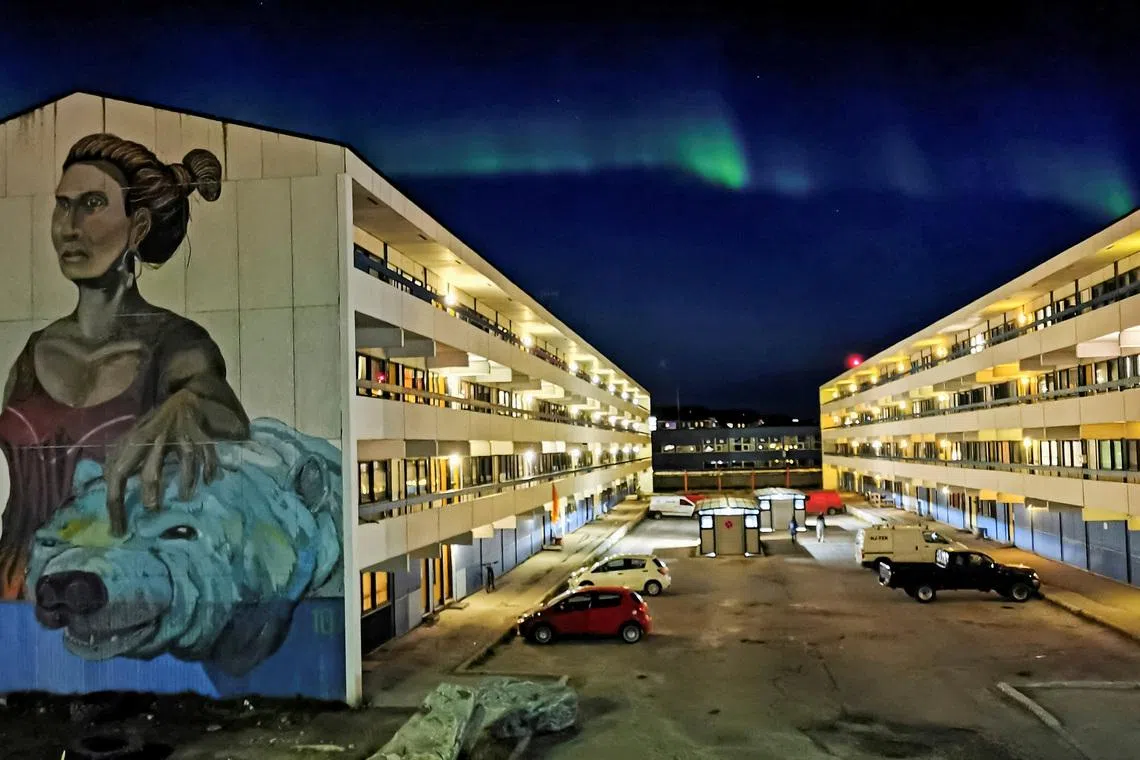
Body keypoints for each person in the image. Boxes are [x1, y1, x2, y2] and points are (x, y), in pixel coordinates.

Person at [0, 134, 250, 599]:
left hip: (111, 598)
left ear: (138, 228)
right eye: (62, 206)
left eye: (92, 204)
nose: (69, 227)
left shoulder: (175, 344)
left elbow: (227, 414)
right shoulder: (33, 353)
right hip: (14, 600)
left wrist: (189, 405)